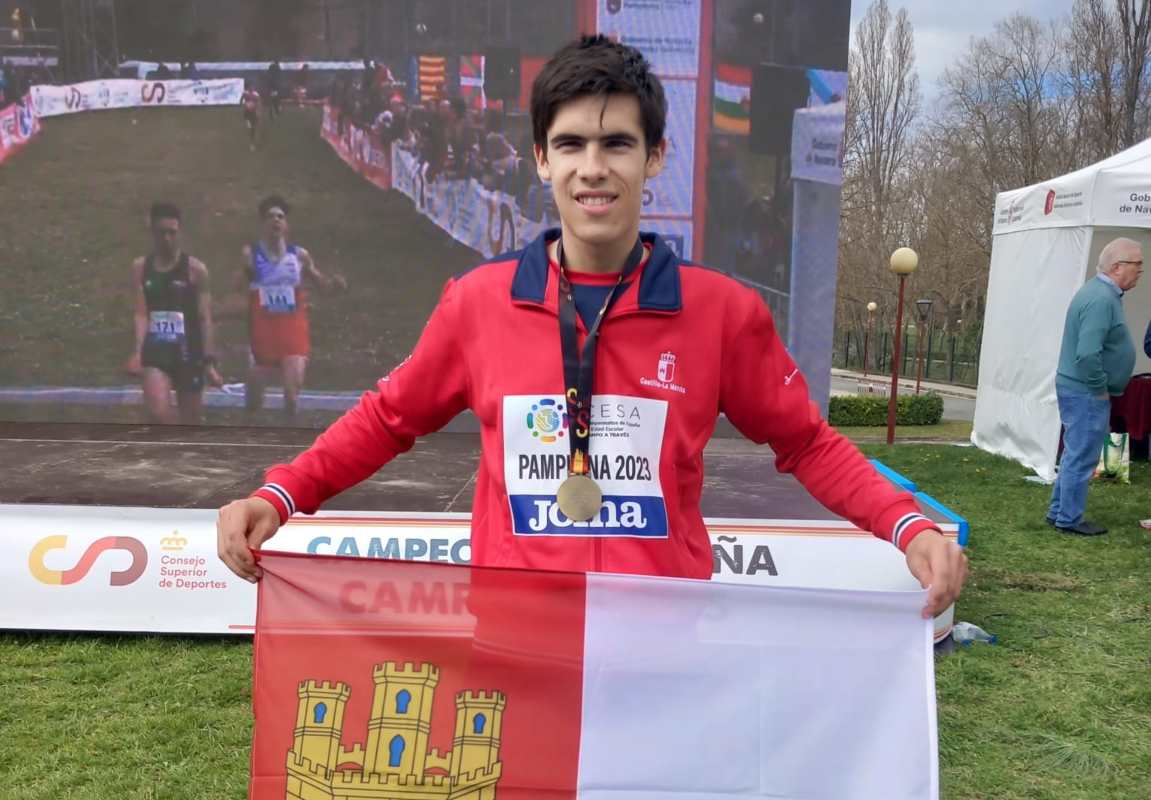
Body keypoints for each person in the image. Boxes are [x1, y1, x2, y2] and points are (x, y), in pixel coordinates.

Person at [217, 36, 967, 621]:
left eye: (616, 144)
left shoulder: (719, 312)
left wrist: (907, 525)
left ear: (654, 158)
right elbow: (387, 418)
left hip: (662, 640)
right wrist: (279, 495)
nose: (592, 168)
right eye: (570, 145)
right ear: (541, 160)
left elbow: (805, 441)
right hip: (517, 642)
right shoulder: (478, 303)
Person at [1046, 237, 1143, 535]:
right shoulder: (1101, 299)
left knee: (1075, 451)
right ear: (1117, 267)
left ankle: (1059, 511)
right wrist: (1100, 387)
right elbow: (1088, 352)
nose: (1140, 271)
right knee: (1083, 455)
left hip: (1080, 388)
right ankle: (1069, 519)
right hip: (1086, 391)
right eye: (1136, 265)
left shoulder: (1102, 294)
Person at [240, 195, 345, 418]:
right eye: (270, 217)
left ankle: (290, 441)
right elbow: (238, 288)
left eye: (280, 217)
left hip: (293, 334)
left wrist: (334, 285)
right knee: (253, 402)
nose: (276, 220)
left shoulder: (299, 256)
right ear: (263, 223)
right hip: (263, 335)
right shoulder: (251, 255)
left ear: (286, 225)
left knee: (291, 396)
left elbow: (322, 285)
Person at [124, 202, 222, 424]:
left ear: (180, 232)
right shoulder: (140, 268)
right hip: (156, 351)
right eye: (161, 233)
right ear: (152, 232)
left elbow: (205, 317)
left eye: (172, 233)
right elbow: (140, 313)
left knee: (191, 421)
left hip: (189, 352)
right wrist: (138, 352)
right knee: (158, 414)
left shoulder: (196, 270)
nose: (167, 239)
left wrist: (209, 361)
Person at [241, 82, 261, 151]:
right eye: (250, 87)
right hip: (247, 112)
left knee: (253, 129)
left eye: (252, 87)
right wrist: (244, 105)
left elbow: (258, 102)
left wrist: (258, 111)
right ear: (248, 87)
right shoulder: (245, 93)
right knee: (250, 126)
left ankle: (252, 144)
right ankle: (247, 122)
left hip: (253, 113)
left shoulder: (256, 94)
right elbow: (241, 99)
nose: (251, 88)